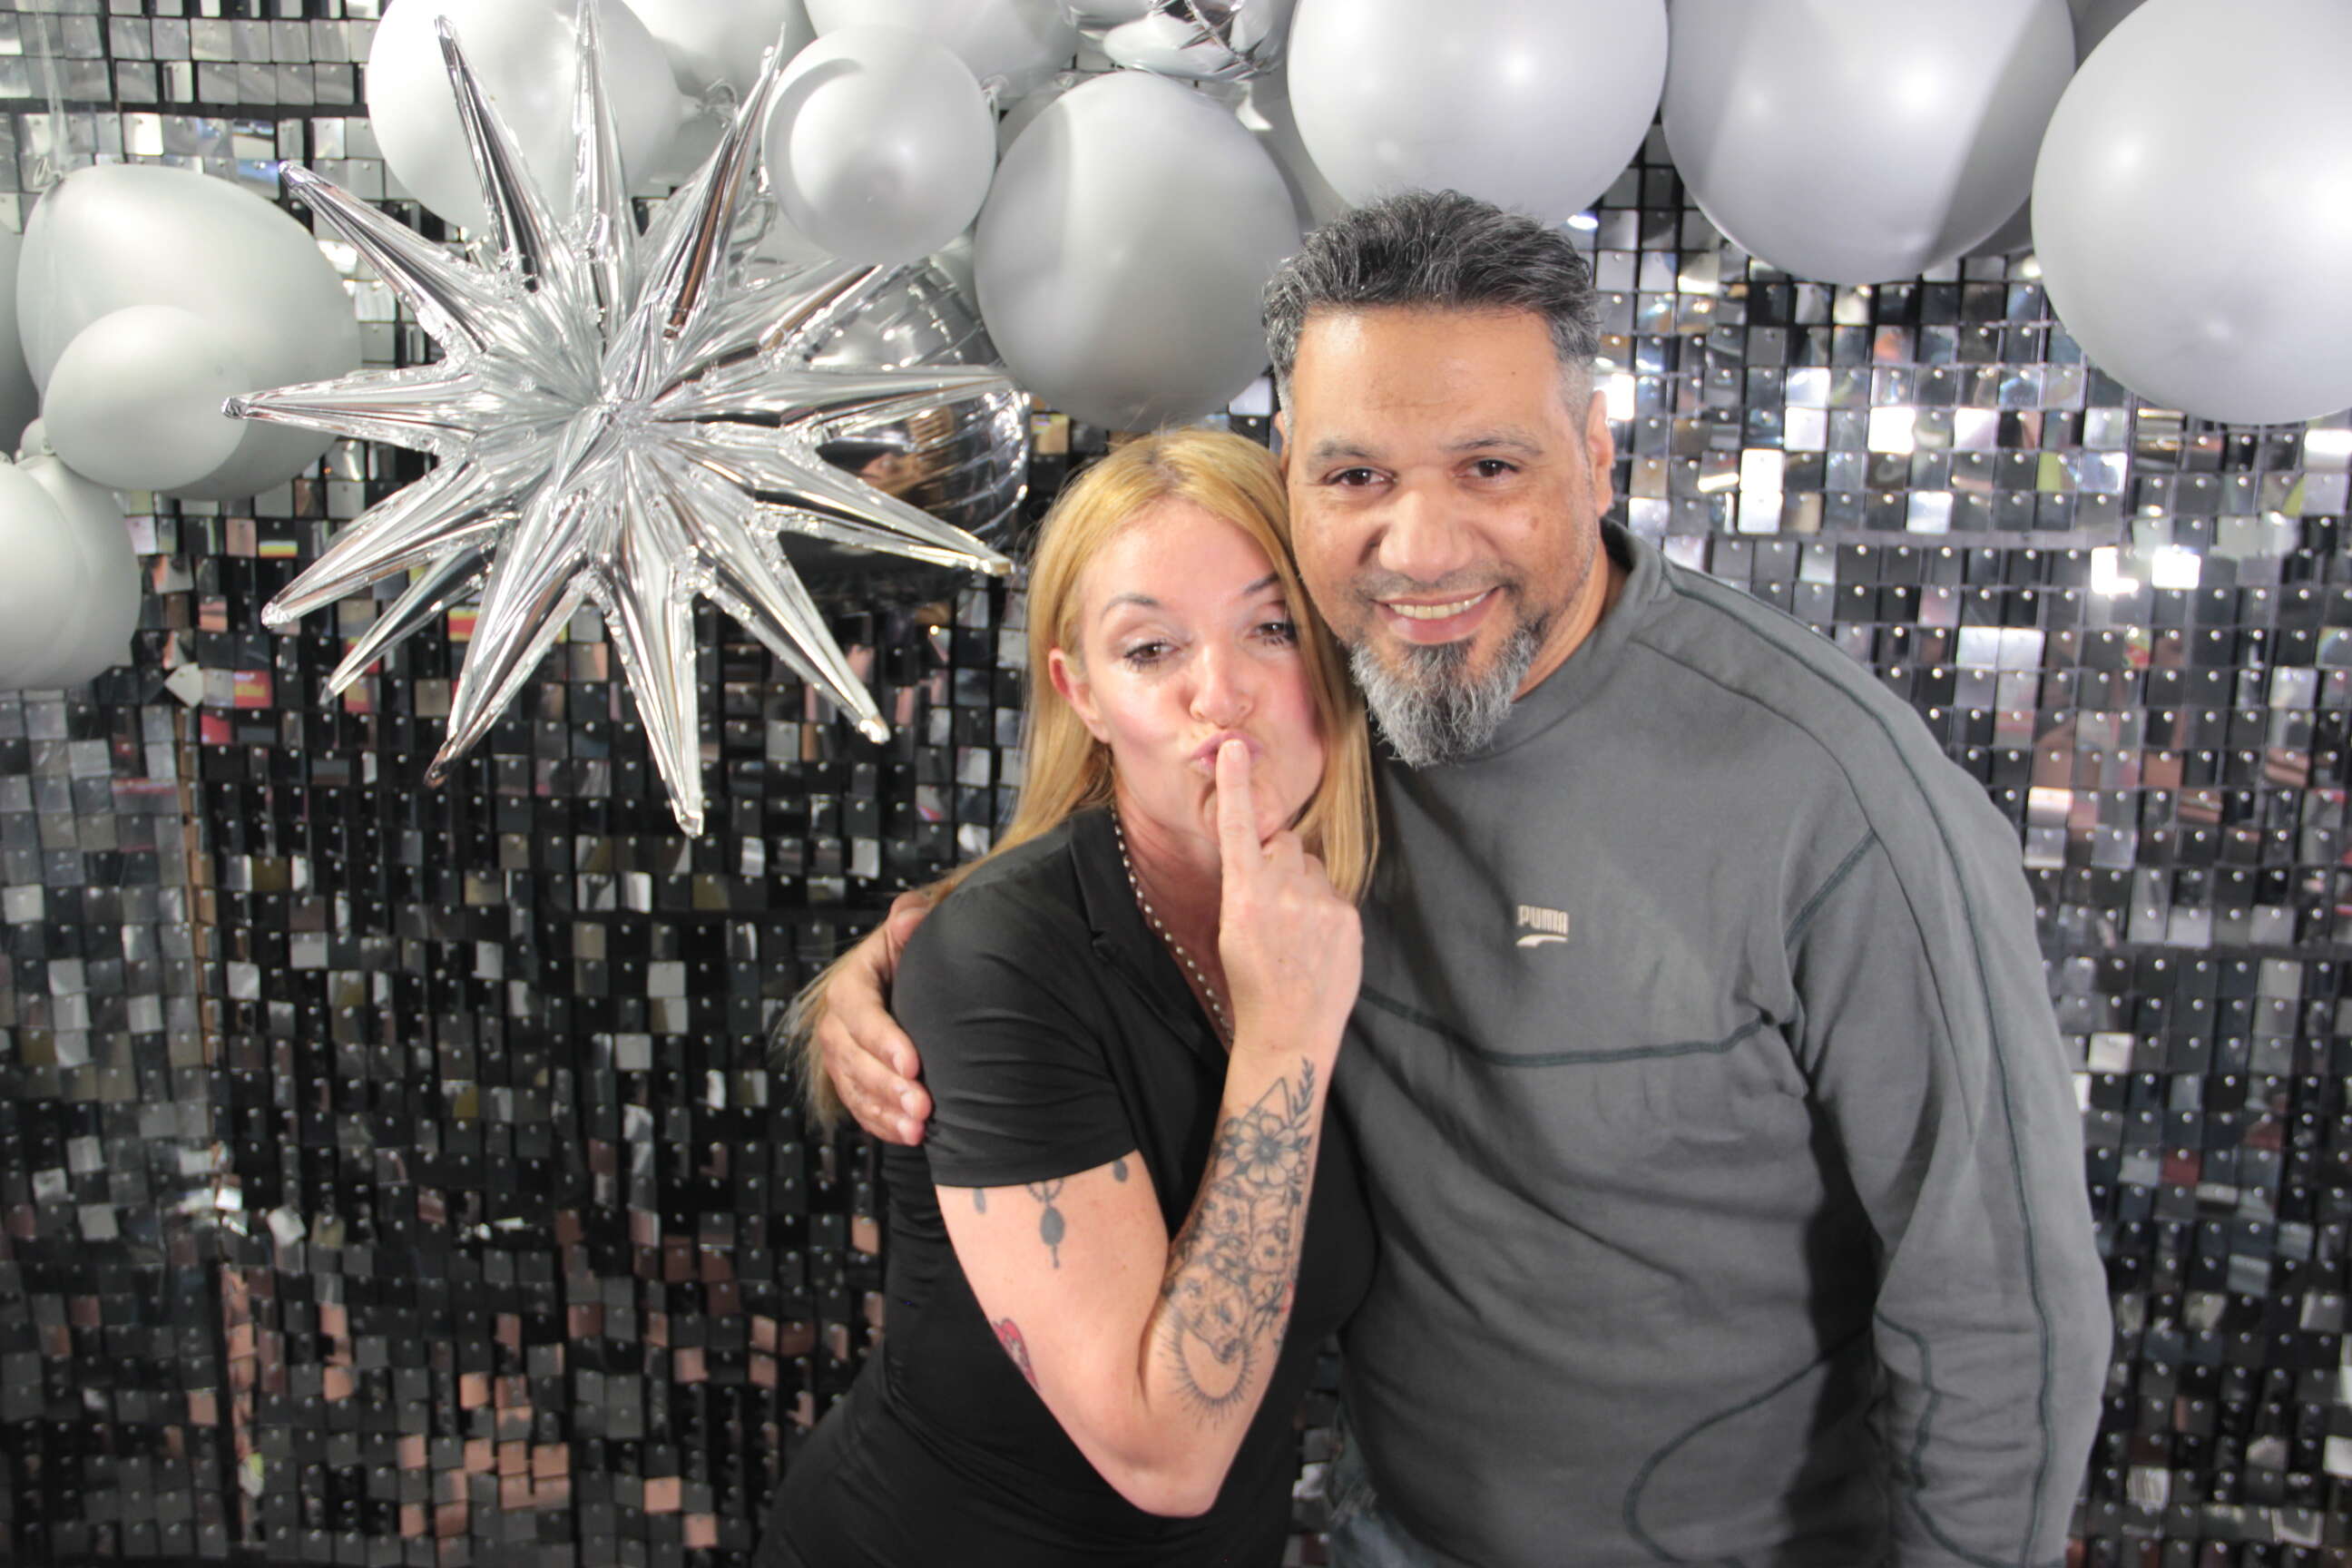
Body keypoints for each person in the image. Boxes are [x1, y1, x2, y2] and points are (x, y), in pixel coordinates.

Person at [817, 191, 2111, 1565]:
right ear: (1297, 481)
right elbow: (1135, 816)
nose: (1421, 548)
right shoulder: (1330, 704)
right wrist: (905, 960)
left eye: (1491, 466)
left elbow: (2001, 1320)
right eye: (1356, 477)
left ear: (1596, 458)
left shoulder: (1836, 797)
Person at [754, 427, 1379, 1567]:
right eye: (1150, 649)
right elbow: (1165, 1457)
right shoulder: (999, 954)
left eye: (1273, 627)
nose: (1221, 694)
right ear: (1082, 694)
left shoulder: (1365, 900)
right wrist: (1285, 1037)